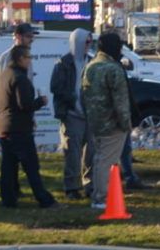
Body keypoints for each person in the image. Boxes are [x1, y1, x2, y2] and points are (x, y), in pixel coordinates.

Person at [0, 45, 57, 209]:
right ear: (21, 59)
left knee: (8, 166)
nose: (30, 61)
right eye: (28, 57)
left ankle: (8, 200)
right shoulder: (20, 78)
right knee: (31, 166)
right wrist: (40, 102)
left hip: (4, 126)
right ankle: (44, 199)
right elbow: (25, 105)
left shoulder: (4, 75)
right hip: (19, 128)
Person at [82, 31, 131, 210]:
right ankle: (101, 197)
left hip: (95, 122)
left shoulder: (91, 65)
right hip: (113, 124)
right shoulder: (113, 69)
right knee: (106, 161)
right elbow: (121, 102)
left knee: (99, 158)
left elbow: (83, 95)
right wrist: (126, 124)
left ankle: (99, 193)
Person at [50, 27, 94, 199]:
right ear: (77, 42)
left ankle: (89, 185)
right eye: (86, 42)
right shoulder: (62, 64)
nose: (88, 46)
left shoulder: (91, 61)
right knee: (72, 153)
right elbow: (55, 87)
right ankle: (72, 188)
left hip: (89, 115)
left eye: (90, 43)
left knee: (91, 152)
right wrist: (71, 98)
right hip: (71, 115)